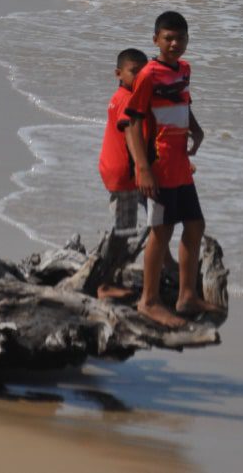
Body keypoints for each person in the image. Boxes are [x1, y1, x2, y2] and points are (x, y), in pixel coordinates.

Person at [124, 11, 223, 327]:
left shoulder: (183, 69)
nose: (175, 43)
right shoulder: (148, 75)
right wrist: (143, 168)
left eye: (180, 38)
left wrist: (196, 127)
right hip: (158, 165)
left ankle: (186, 296)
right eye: (168, 38)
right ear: (156, 40)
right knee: (161, 232)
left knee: (195, 226)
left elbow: (184, 101)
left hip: (180, 165)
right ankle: (148, 301)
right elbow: (132, 122)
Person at [96, 48, 177, 299]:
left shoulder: (126, 95)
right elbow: (133, 134)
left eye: (145, 71)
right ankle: (104, 281)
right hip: (124, 174)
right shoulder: (127, 99)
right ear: (118, 73)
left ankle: (167, 263)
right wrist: (145, 168)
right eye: (135, 72)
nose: (141, 76)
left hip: (124, 169)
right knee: (125, 229)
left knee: (157, 217)